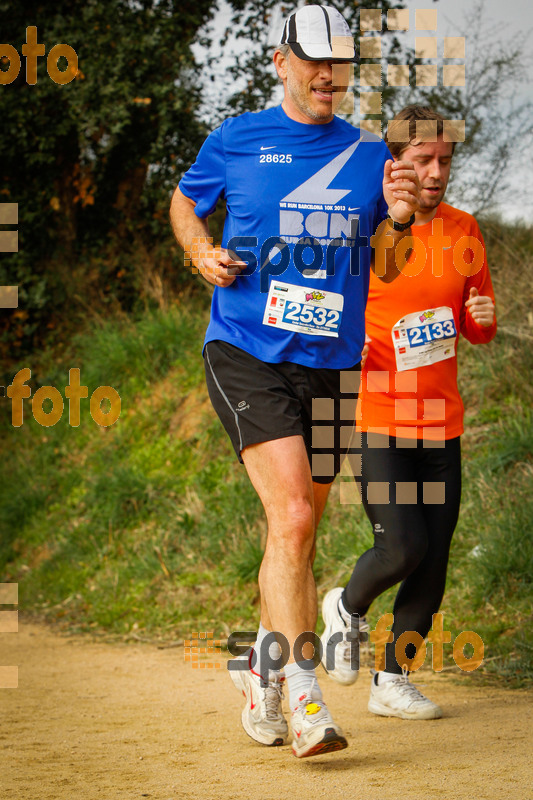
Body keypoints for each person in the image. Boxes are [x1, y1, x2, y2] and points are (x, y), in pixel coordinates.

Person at [170, 6, 420, 757]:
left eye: (340, 65)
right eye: (315, 62)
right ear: (280, 62)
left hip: (331, 365)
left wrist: (401, 222)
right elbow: (185, 201)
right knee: (293, 518)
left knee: (294, 535)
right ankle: (307, 697)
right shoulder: (236, 139)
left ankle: (261, 668)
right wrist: (199, 252)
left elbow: (384, 267)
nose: (329, 77)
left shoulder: (369, 155)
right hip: (245, 349)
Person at [320, 104, 497, 719]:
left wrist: (483, 320)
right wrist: (353, 343)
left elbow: (478, 319)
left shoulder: (465, 229)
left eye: (445, 161)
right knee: (401, 547)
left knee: (436, 558)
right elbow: (329, 308)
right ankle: (346, 606)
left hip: (440, 419)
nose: (437, 172)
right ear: (394, 163)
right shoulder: (366, 228)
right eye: (423, 160)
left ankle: (391, 680)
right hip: (379, 412)